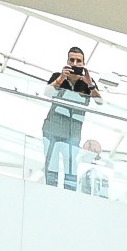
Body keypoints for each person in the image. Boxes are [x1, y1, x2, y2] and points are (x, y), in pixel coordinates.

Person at [42, 48, 98, 188]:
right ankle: (50, 191)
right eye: (72, 60)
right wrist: (61, 78)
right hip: (52, 129)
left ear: (83, 63)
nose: (75, 63)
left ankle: (69, 194)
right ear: (67, 61)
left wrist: (90, 84)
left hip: (73, 133)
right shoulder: (58, 77)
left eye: (78, 61)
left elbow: (100, 102)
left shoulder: (88, 83)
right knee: (51, 167)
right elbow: (47, 93)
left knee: (71, 168)